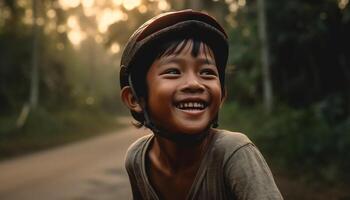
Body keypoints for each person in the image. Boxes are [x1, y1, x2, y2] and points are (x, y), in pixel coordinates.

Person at [119, 9, 283, 200]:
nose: (194, 84)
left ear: (221, 96)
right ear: (134, 99)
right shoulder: (137, 160)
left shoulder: (233, 153)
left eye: (207, 72)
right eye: (173, 71)